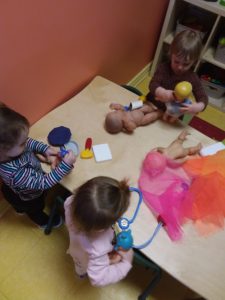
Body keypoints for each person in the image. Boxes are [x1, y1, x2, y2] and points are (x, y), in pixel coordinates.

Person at [0, 103, 76, 228]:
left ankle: (18, 208)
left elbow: (29, 142)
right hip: (29, 197)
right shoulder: (15, 173)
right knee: (35, 209)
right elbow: (43, 183)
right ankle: (43, 222)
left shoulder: (10, 150)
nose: (26, 142)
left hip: (16, 187)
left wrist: (45, 149)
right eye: (22, 143)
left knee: (15, 199)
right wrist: (65, 166)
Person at [64, 176, 134, 287]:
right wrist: (126, 264)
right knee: (81, 267)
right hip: (85, 259)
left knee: (78, 262)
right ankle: (81, 274)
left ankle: (80, 273)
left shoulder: (70, 202)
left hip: (76, 248)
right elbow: (99, 279)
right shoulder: (98, 247)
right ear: (100, 229)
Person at [147, 30, 208, 123]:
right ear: (171, 54)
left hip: (173, 114)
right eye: (176, 61)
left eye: (186, 64)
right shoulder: (163, 68)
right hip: (152, 105)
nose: (180, 67)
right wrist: (162, 92)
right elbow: (153, 84)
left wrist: (197, 107)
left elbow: (203, 97)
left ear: (194, 61)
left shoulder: (192, 77)